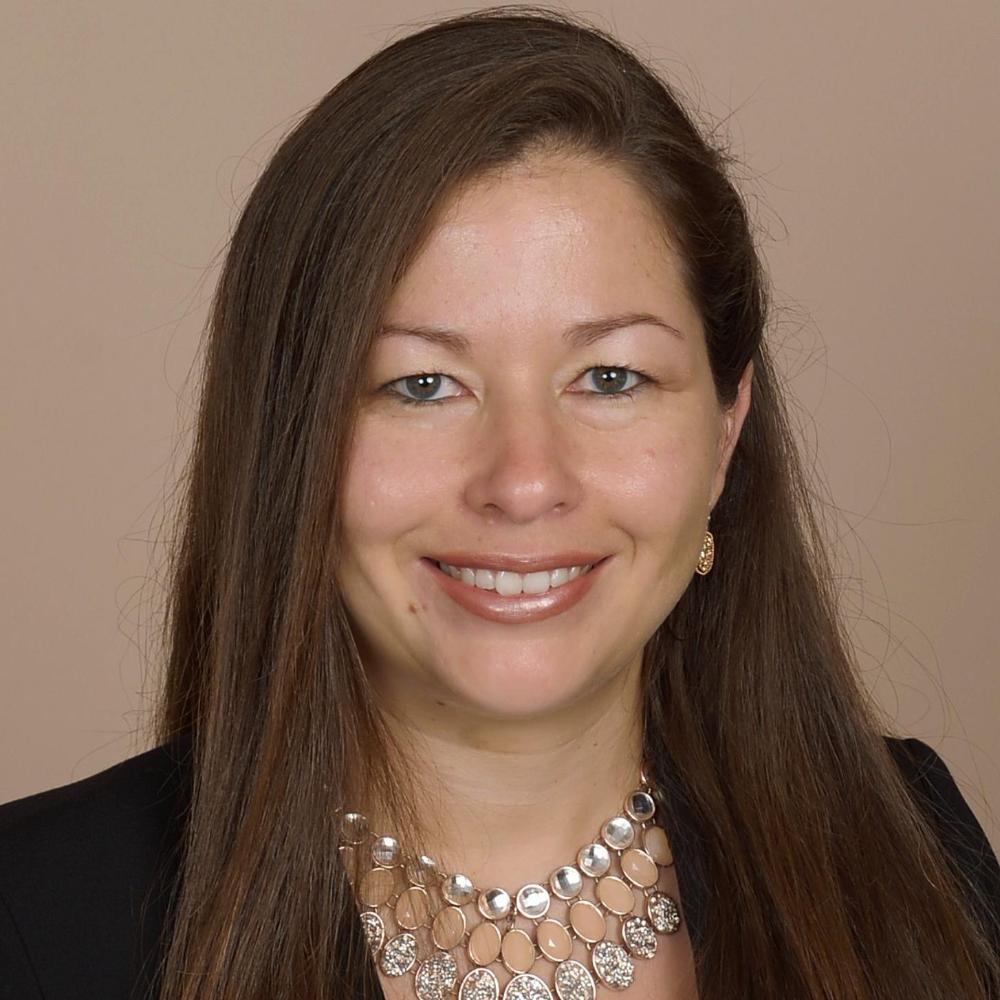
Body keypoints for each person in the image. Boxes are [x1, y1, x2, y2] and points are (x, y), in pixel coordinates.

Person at [1, 5, 998, 999]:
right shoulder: (38, 913)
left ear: (727, 426)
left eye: (610, 378)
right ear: (291, 436)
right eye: (422, 385)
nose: (524, 482)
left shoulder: (912, 854)